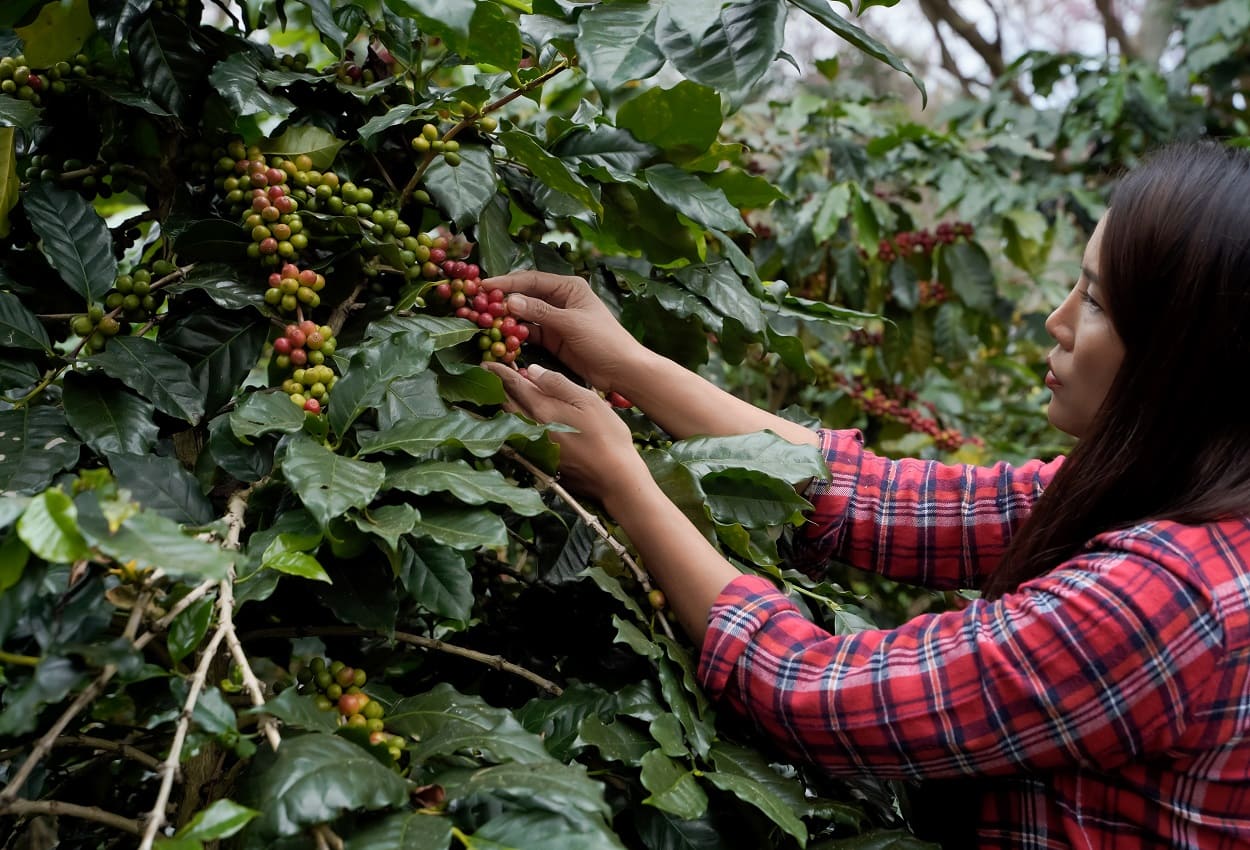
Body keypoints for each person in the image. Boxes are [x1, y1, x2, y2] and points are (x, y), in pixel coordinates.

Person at [479, 140, 1250, 849]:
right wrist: (628, 364)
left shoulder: (1169, 596)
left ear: (1185, 351)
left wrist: (621, 477)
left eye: (1097, 300)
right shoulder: (1168, 491)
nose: (1056, 321)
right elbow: (882, 498)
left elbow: (811, 692)